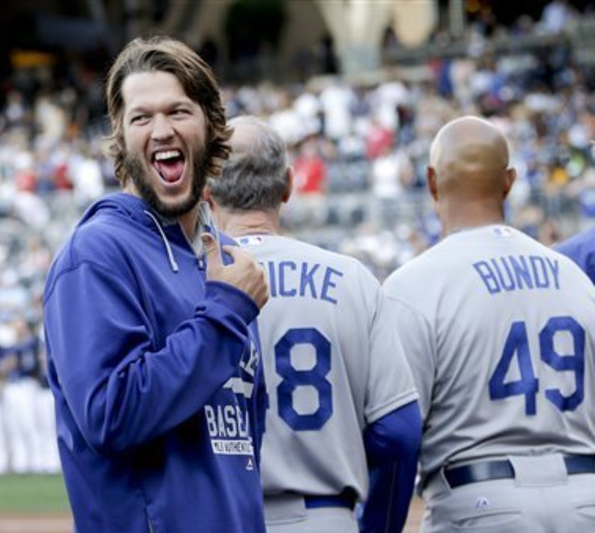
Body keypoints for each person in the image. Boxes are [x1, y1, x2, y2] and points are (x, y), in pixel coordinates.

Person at [42, 36, 269, 532]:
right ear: (120, 138)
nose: (161, 130)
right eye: (141, 118)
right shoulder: (96, 254)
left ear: (210, 124)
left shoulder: (218, 259)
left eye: (178, 112)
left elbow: (246, 439)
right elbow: (110, 413)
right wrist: (225, 314)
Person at [207, 116, 422, 533]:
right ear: (289, 184)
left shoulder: (187, 283)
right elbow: (398, 432)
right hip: (325, 516)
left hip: (221, 515)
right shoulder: (351, 278)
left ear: (207, 192)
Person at [382, 116, 595, 532]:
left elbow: (398, 432)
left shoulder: (413, 285)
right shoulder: (574, 277)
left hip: (479, 501)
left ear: (431, 181)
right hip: (585, 497)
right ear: (510, 181)